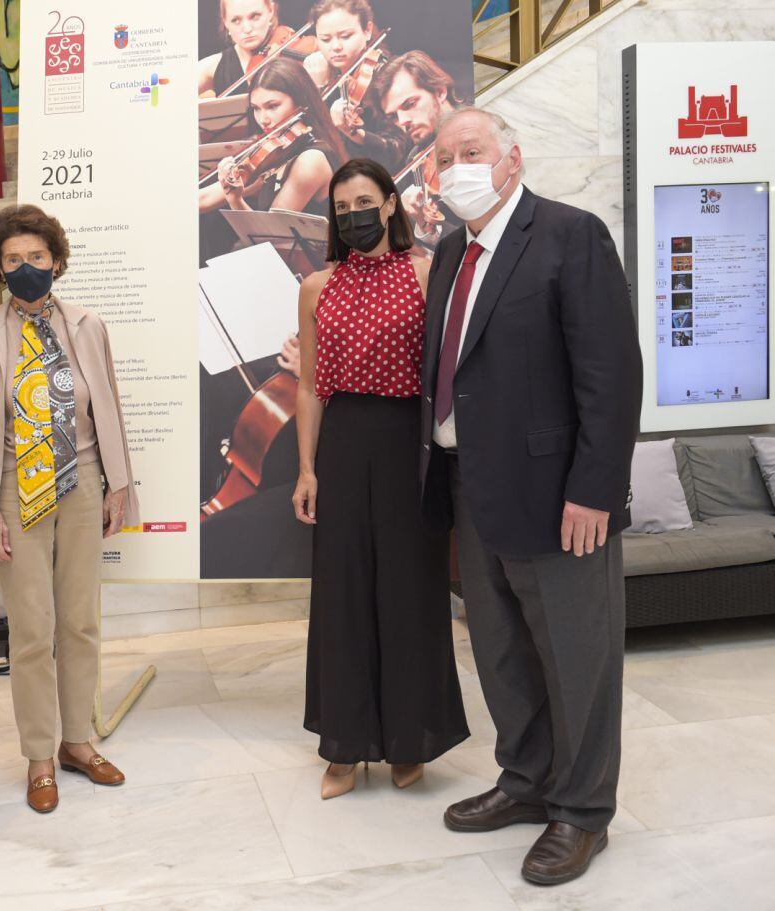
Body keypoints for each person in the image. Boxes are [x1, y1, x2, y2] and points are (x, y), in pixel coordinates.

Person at [419, 108, 642, 886]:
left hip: (559, 500)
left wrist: (595, 490)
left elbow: (610, 378)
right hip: (472, 489)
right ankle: (525, 779)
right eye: (443, 158)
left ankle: (581, 810)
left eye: (470, 151)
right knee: (503, 652)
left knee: (578, 658)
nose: (456, 168)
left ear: (512, 159)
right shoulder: (451, 250)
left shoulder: (569, 235)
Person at [292, 157, 469, 800]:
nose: (353, 215)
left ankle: (409, 739)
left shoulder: (428, 273)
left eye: (363, 202)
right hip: (342, 439)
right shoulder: (318, 285)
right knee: (341, 591)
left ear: (391, 203)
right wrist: (307, 467)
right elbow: (310, 385)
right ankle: (343, 746)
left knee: (409, 588)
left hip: (408, 443)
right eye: (341, 208)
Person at [0, 204, 139, 814]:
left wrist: (118, 483)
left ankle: (77, 743)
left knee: (80, 621)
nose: (27, 267)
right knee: (32, 631)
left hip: (84, 484)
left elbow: (107, 406)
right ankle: (39, 754)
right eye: (13, 260)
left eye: (36, 257)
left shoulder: (88, 324)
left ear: (56, 261)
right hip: (17, 489)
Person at [200, 56, 348, 219]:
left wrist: (235, 200)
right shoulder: (276, 148)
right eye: (256, 108)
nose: (263, 119)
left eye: (273, 106)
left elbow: (272, 236)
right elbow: (203, 200)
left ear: (301, 102)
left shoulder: (311, 159)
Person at [370, 49, 465, 246]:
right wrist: (423, 224)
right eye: (393, 116)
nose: (403, 121)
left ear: (440, 91)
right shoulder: (416, 159)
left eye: (410, 104)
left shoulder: (478, 138)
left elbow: (490, 238)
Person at [303, 0, 405, 170]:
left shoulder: (388, 76)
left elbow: (394, 152)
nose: (336, 46)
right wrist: (318, 88)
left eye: (345, 36)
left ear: (367, 30)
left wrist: (352, 132)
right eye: (325, 39)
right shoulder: (322, 73)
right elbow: (311, 140)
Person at [199, 0, 284, 97]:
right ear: (225, 22)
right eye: (236, 20)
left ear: (271, 11)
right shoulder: (214, 66)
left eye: (255, 16)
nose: (247, 29)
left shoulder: (289, 53)